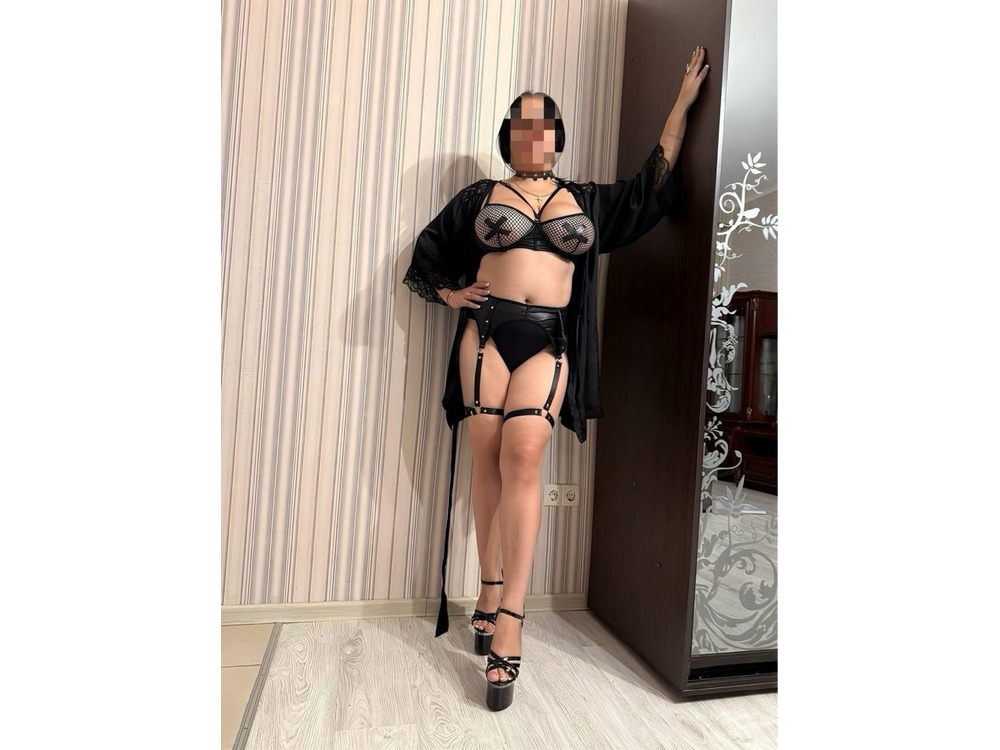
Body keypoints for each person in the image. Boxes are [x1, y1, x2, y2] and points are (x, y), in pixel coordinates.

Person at [402, 47, 708, 710]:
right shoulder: (480, 197)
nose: (532, 133)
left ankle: (511, 617)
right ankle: (487, 585)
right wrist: (450, 294)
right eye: (521, 124)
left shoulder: (587, 199)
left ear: (558, 137)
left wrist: (682, 103)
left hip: (549, 339)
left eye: (543, 124)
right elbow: (428, 251)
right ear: (508, 136)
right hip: (485, 336)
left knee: (524, 455)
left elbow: (651, 183)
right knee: (487, 458)